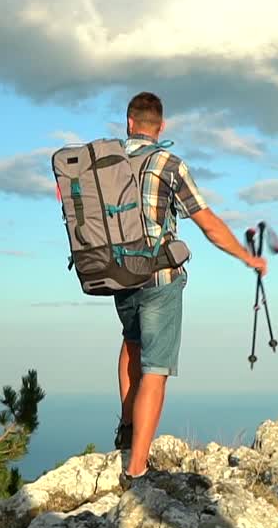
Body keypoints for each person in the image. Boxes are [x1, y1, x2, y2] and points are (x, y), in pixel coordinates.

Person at [114, 91, 268, 483]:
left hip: (115, 275)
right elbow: (209, 224)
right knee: (156, 367)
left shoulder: (107, 161)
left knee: (132, 343)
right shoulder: (169, 164)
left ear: (129, 122)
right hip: (160, 277)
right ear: (160, 127)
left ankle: (126, 430)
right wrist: (247, 257)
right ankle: (136, 468)